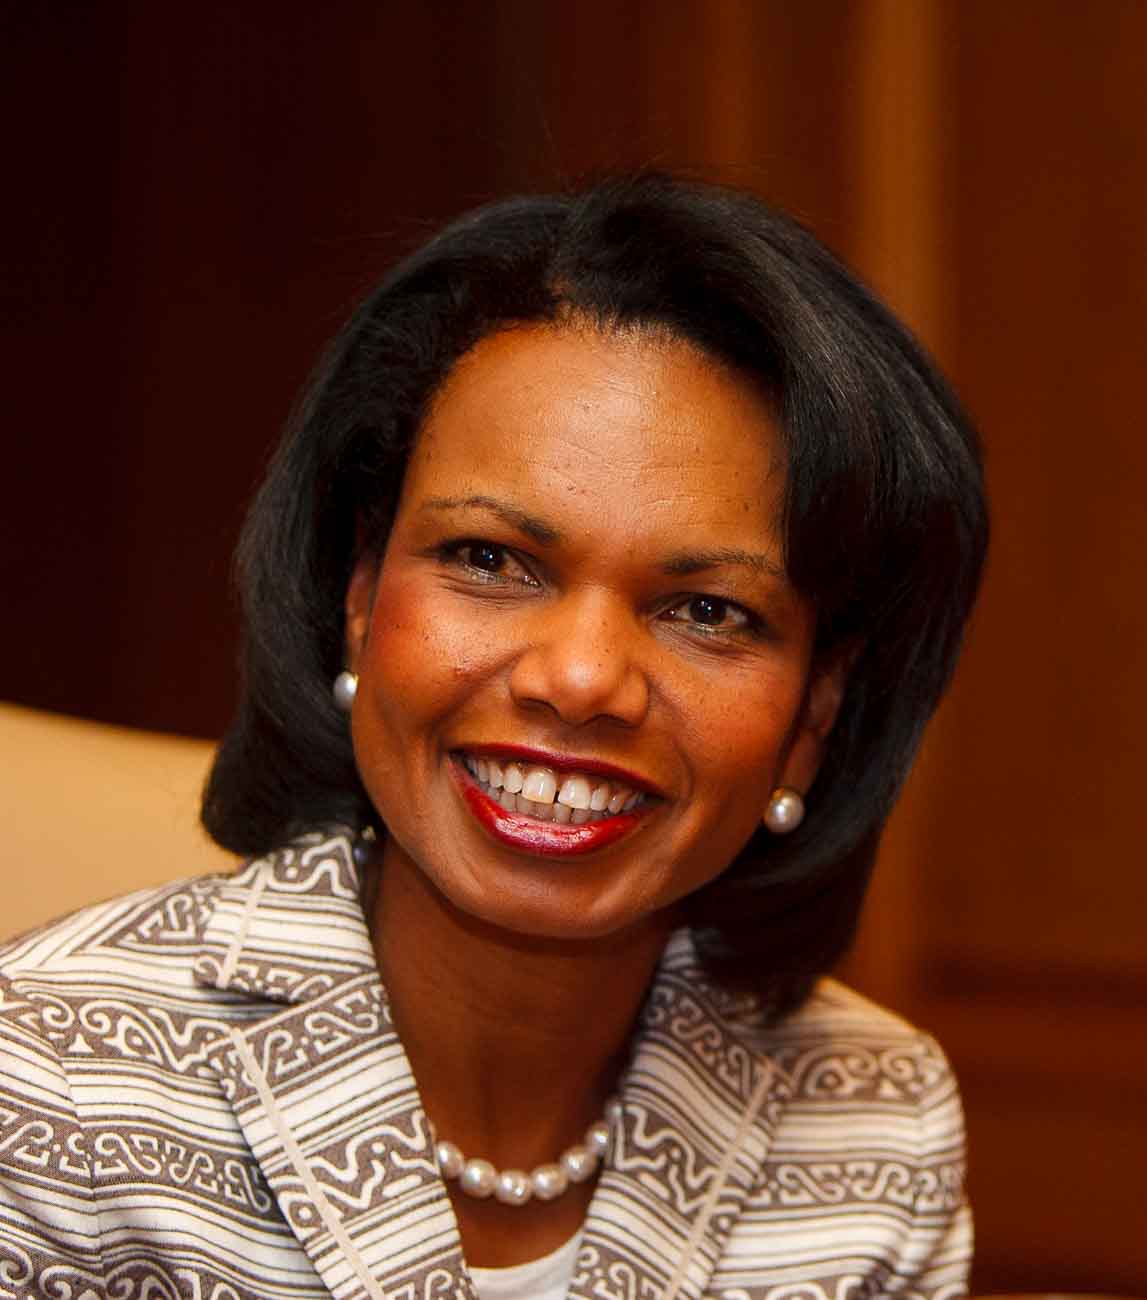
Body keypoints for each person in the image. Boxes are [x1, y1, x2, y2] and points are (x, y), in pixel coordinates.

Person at [0, 173, 987, 1299]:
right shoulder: (48, 1092)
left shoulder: (869, 1126)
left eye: (710, 610)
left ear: (814, 714)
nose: (579, 679)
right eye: (489, 560)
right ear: (361, 594)